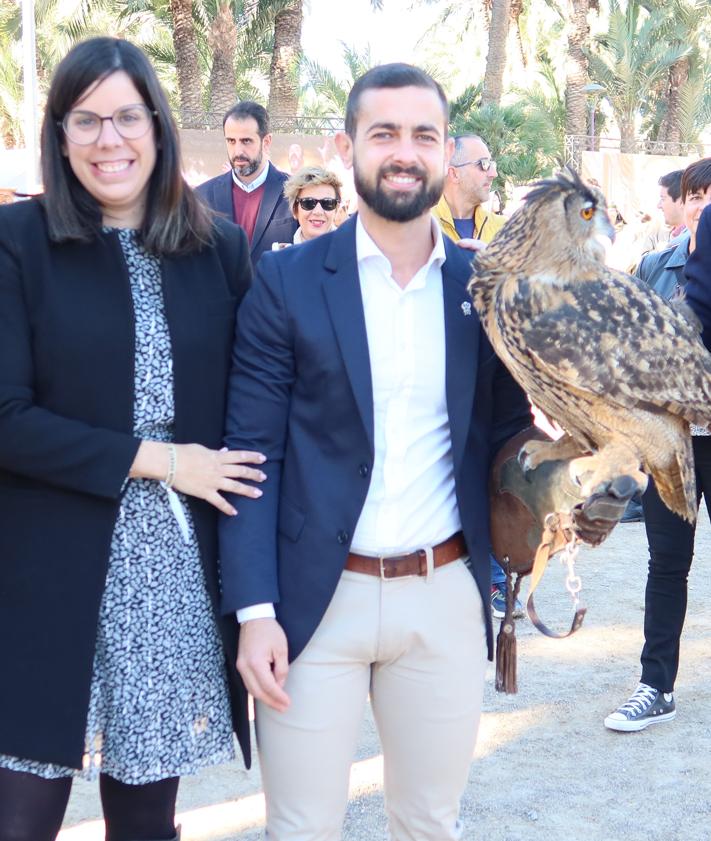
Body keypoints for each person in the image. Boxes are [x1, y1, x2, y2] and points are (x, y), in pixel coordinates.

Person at [219, 63, 626, 840]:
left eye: (422, 136)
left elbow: (511, 427)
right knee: (300, 827)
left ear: (443, 155)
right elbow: (252, 454)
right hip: (313, 602)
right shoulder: (287, 283)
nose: (403, 151)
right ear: (347, 146)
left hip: (443, 593)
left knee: (429, 825)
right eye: (384, 134)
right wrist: (256, 611)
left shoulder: (483, 287)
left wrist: (569, 477)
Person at [0, 37, 261, 841]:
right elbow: (5, 419)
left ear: (157, 123)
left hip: (170, 569)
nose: (108, 140)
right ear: (59, 132)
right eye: (86, 121)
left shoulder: (216, 247)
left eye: (125, 117)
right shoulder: (17, 243)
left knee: (147, 820)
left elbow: (262, 399)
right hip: (44, 560)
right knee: (21, 813)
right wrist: (163, 461)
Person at [604, 157, 711, 732]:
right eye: (694, 194)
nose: (701, 204)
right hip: (672, 442)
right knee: (667, 563)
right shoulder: (653, 264)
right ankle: (655, 685)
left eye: (710, 195)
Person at [196, 101, 297, 267]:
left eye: (246, 141)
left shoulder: (295, 193)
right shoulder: (202, 198)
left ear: (266, 142)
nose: (237, 151)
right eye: (231, 141)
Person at [432, 133, 506, 246]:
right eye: (484, 164)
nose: (494, 174)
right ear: (454, 174)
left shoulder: (503, 229)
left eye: (492, 164)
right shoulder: (423, 227)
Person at [282, 165, 343, 243]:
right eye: (308, 203)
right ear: (295, 209)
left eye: (327, 203)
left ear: (336, 209)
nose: (318, 212)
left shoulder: (354, 252)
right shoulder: (281, 253)